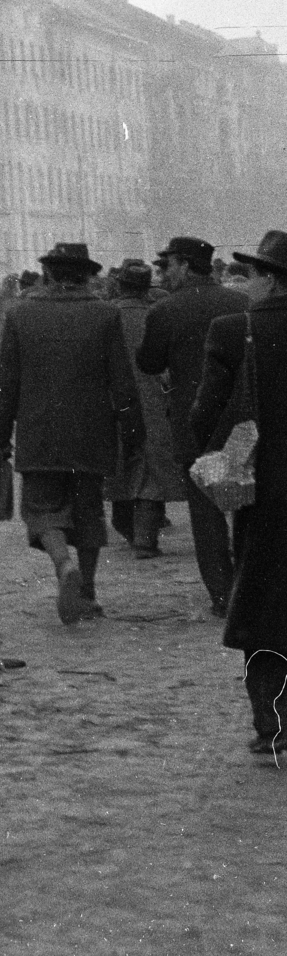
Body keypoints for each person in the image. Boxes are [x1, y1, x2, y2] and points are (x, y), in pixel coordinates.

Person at [0, 243, 144, 625]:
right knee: (88, 511)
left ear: (48, 274)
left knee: (41, 510)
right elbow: (122, 381)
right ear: (86, 276)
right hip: (92, 434)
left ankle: (63, 564)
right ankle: (87, 593)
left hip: (39, 432)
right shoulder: (105, 315)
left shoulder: (21, 315)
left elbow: (6, 382)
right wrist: (133, 429)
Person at [191, 230, 287, 757]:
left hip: (263, 491)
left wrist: (215, 457)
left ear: (270, 279)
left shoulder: (234, 330)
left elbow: (203, 414)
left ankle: (270, 723)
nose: (243, 285)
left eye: (250, 274)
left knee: (264, 605)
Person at [137, 235, 249, 613]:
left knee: (206, 513)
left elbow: (149, 363)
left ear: (184, 265)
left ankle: (223, 594)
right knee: (248, 507)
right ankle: (254, 587)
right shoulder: (242, 302)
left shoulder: (166, 310)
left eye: (167, 265)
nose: (163, 273)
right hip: (241, 424)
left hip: (192, 423)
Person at [105, 261, 185, 556]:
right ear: (145, 288)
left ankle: (126, 528)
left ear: (120, 285)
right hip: (153, 399)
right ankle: (145, 538)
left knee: (119, 463)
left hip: (112, 400)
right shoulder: (157, 314)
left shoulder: (104, 314)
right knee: (150, 468)